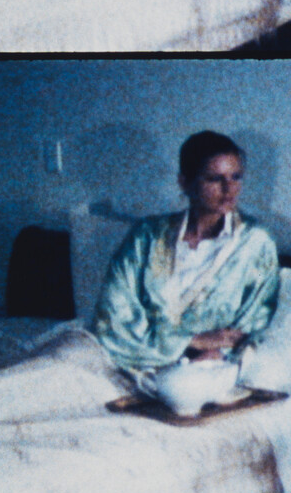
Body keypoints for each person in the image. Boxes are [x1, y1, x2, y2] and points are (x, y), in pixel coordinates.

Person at [94, 131, 280, 371]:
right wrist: (189, 341)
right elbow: (112, 317)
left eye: (236, 177)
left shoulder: (255, 242)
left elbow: (252, 323)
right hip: (128, 360)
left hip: (210, 365)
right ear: (185, 182)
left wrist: (214, 354)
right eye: (215, 179)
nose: (229, 189)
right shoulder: (146, 236)